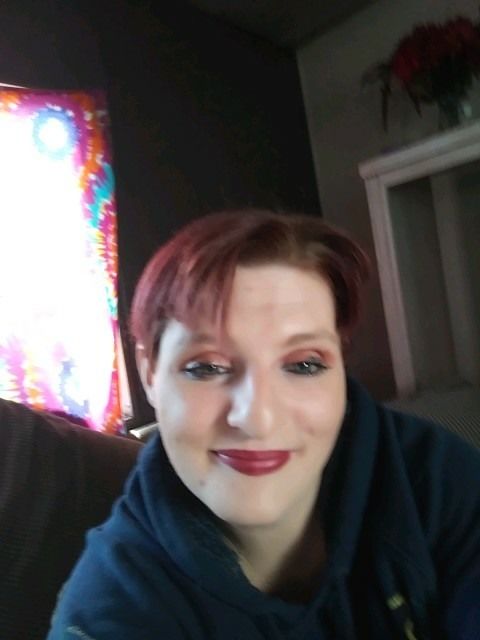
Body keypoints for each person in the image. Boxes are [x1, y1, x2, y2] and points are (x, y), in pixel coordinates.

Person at [47, 209, 480, 639]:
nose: (258, 419)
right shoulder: (113, 606)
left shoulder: (433, 478)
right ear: (149, 374)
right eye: (206, 367)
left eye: (304, 364)